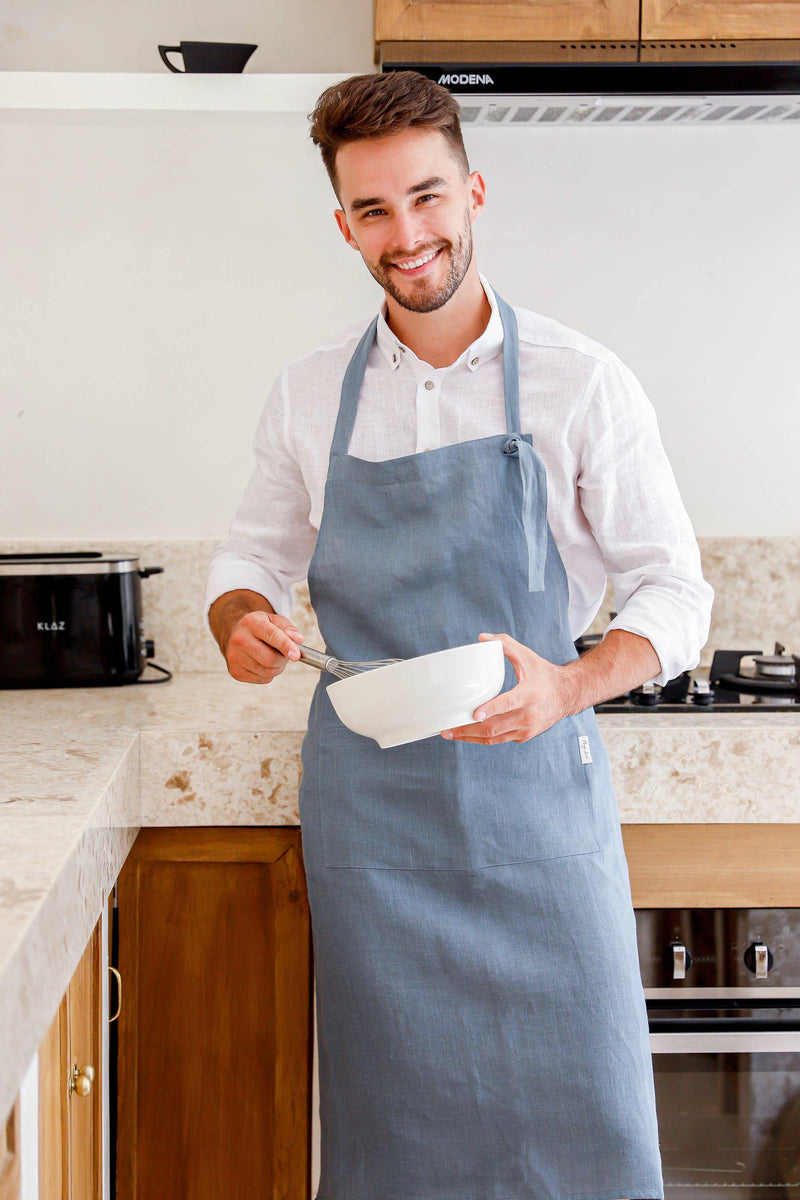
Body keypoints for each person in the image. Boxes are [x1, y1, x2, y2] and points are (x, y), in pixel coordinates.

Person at [206, 70, 713, 1200]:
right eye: (374, 211)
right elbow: (249, 561)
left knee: (586, 1135)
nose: (407, 234)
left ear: (473, 191)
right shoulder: (304, 396)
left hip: (539, 808)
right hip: (373, 826)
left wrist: (570, 686)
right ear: (343, 225)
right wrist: (240, 617)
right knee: (398, 1147)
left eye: (426, 198)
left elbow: (672, 592)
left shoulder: (581, 383)